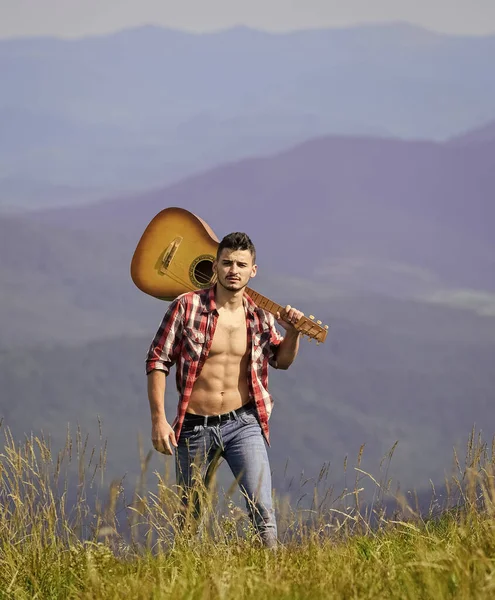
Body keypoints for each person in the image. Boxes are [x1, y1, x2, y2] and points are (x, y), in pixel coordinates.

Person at [145, 232, 303, 548]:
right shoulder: (186, 307)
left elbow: (280, 361)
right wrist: (159, 419)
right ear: (215, 265)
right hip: (194, 427)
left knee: (263, 512)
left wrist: (294, 333)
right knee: (191, 522)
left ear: (253, 270)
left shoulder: (260, 314)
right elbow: (158, 359)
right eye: (227, 262)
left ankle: (273, 582)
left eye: (241, 264)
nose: (234, 270)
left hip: (244, 423)